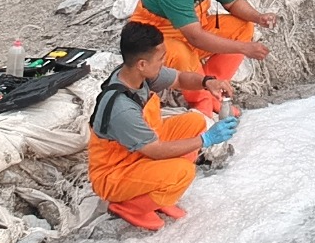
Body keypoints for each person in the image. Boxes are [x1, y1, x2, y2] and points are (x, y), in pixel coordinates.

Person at [87, 21, 238, 232]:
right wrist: (207, 139)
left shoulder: (138, 75)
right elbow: (155, 151)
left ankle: (158, 195)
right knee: (182, 172)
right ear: (141, 64)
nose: (164, 62)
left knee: (194, 122)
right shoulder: (122, 108)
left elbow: (179, 78)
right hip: (115, 172)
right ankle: (128, 206)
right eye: (160, 59)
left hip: (139, 149)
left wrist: (208, 82)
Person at [127, 0, 277, 117]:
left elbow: (233, 2)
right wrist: (245, 48)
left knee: (243, 26)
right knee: (183, 53)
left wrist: (258, 17)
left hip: (190, 29)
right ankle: (201, 101)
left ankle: (214, 85)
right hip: (155, 40)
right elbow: (196, 37)